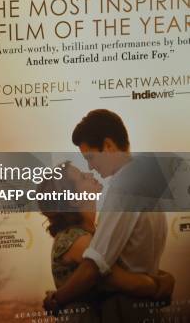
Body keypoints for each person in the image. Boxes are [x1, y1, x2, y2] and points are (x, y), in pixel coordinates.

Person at [44, 109, 170, 322]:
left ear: (109, 146)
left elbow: (95, 267)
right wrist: (161, 281)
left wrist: (56, 299)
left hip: (125, 311)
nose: (90, 167)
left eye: (90, 157)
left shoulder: (124, 188)